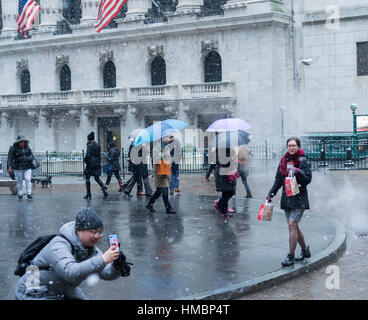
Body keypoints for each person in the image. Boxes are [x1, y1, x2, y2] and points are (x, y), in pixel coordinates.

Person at [15, 207, 128, 300]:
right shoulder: (59, 245)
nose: (97, 236)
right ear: (79, 230)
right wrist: (103, 259)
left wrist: (116, 266)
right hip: (34, 290)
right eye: (93, 232)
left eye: (100, 232)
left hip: (61, 288)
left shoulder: (89, 248)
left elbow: (104, 272)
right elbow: (71, 272)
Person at [267, 136, 312, 267]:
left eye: (294, 145)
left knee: (292, 224)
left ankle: (290, 255)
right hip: (287, 196)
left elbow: (307, 179)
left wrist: (298, 171)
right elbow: (278, 180)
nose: (291, 148)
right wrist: (271, 193)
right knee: (294, 226)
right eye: (289, 146)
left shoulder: (303, 160)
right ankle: (305, 250)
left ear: (298, 146)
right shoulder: (284, 161)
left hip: (299, 197)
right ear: (287, 147)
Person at [146, 137, 176, 214]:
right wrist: (162, 155)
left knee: (159, 191)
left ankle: (150, 204)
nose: (168, 141)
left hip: (165, 171)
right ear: (162, 139)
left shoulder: (166, 147)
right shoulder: (157, 147)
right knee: (164, 190)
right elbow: (156, 160)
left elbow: (167, 158)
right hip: (160, 172)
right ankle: (168, 208)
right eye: (167, 139)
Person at [8, 135, 35, 200]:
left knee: (28, 179)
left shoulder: (28, 147)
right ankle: (20, 194)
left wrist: (28, 158)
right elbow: (10, 158)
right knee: (19, 181)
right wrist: (9, 167)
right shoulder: (13, 148)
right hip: (18, 167)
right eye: (21, 142)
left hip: (27, 166)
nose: (22, 143)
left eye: (23, 142)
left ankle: (29, 193)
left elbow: (32, 156)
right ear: (18, 142)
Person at [84, 132, 108, 200]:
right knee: (97, 178)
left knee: (87, 178)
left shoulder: (89, 145)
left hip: (90, 164)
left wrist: (85, 160)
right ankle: (104, 190)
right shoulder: (98, 145)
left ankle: (89, 194)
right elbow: (99, 155)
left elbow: (88, 155)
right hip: (97, 163)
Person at [214, 147, 237, 217]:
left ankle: (221, 206)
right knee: (226, 192)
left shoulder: (228, 150)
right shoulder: (222, 151)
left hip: (227, 174)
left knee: (230, 192)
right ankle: (223, 211)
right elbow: (224, 162)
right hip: (223, 175)